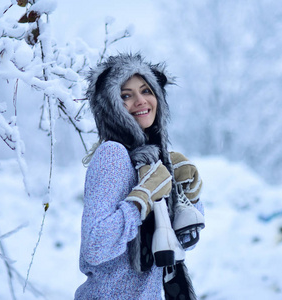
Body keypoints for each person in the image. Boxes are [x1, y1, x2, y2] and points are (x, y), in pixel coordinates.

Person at [74, 53, 205, 300]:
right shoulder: (112, 155)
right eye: (125, 95)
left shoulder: (155, 162)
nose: (140, 101)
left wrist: (190, 194)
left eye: (146, 90)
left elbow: (185, 244)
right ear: (110, 108)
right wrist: (141, 199)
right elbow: (95, 246)